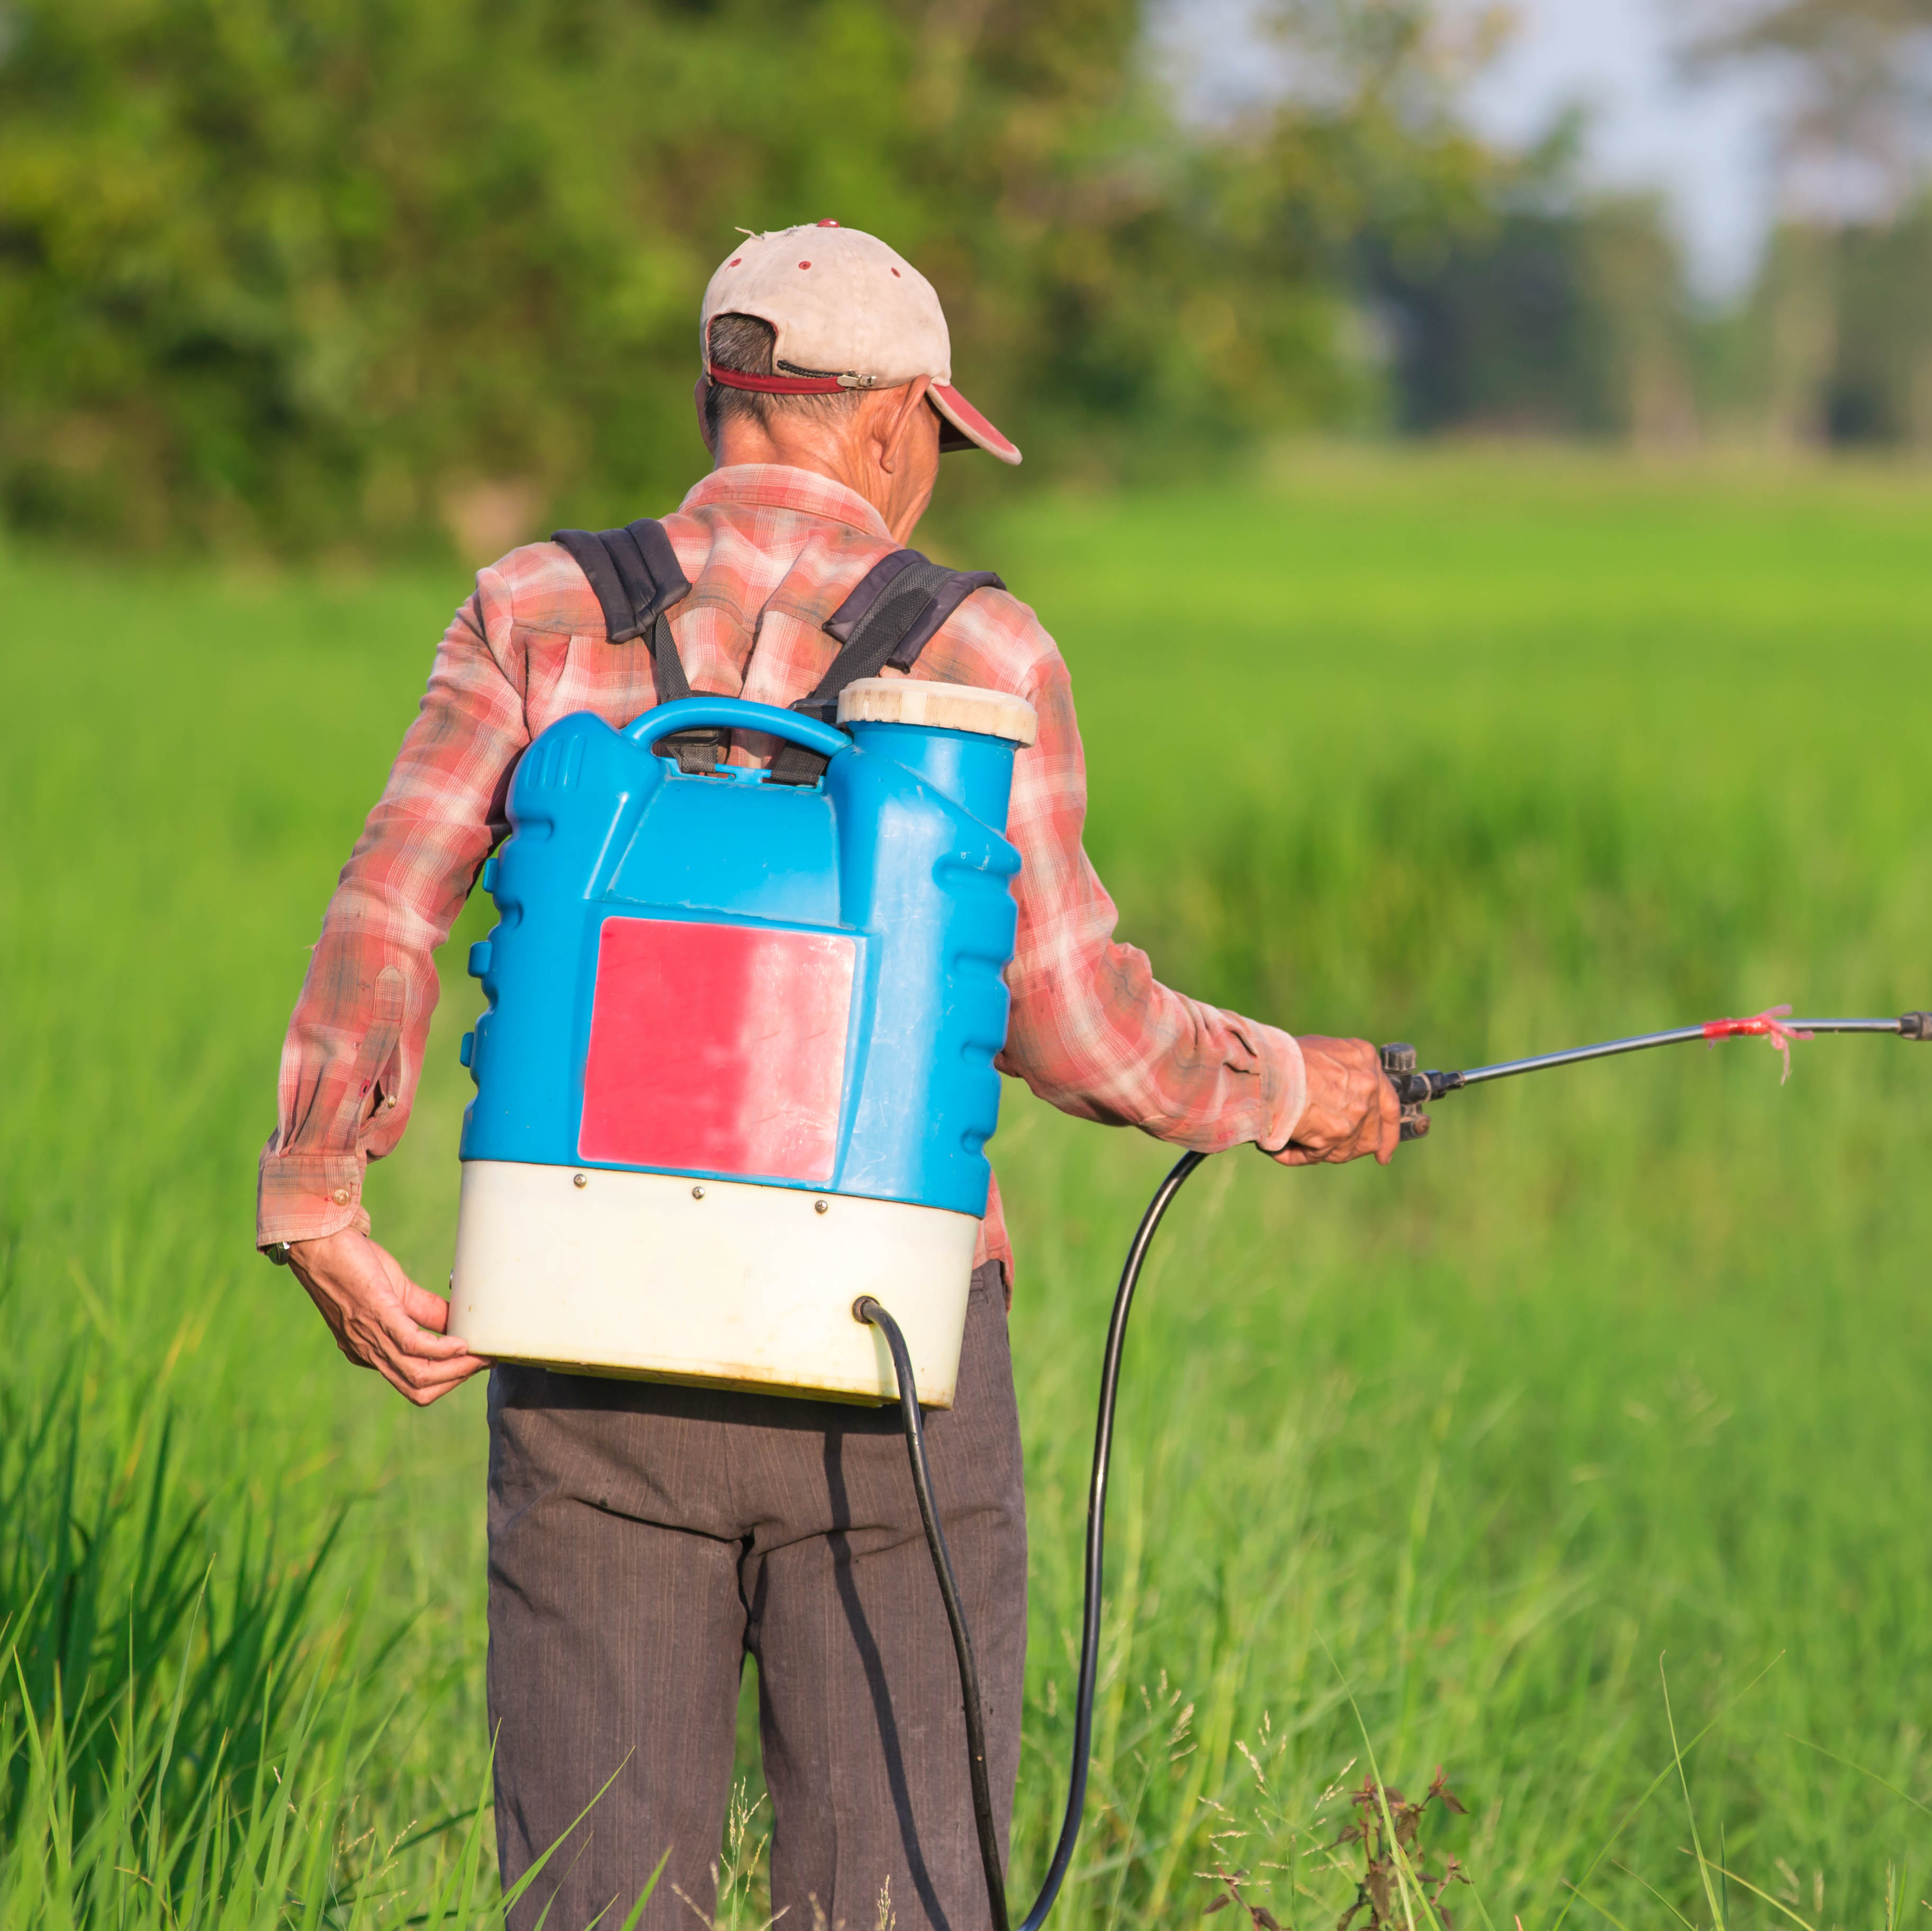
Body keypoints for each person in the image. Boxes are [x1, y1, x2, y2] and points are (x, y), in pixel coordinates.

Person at [254, 220, 1401, 1931]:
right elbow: (1077, 1021)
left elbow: (389, 899)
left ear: (725, 394)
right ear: (881, 426)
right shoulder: (978, 653)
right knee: (898, 1899)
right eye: (936, 433)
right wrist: (1295, 1087)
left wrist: (318, 1199)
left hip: (587, 1335)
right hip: (894, 1367)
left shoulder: (535, 608)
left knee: (596, 1900)